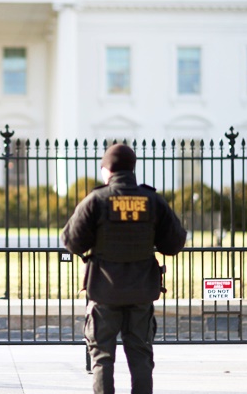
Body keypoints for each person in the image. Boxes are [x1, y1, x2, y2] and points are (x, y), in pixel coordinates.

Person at [62, 144, 186, 394]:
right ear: (132, 168)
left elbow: (71, 242)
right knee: (141, 357)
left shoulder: (97, 200)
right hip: (141, 292)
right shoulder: (152, 200)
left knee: (102, 359)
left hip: (104, 291)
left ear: (107, 170)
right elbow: (174, 243)